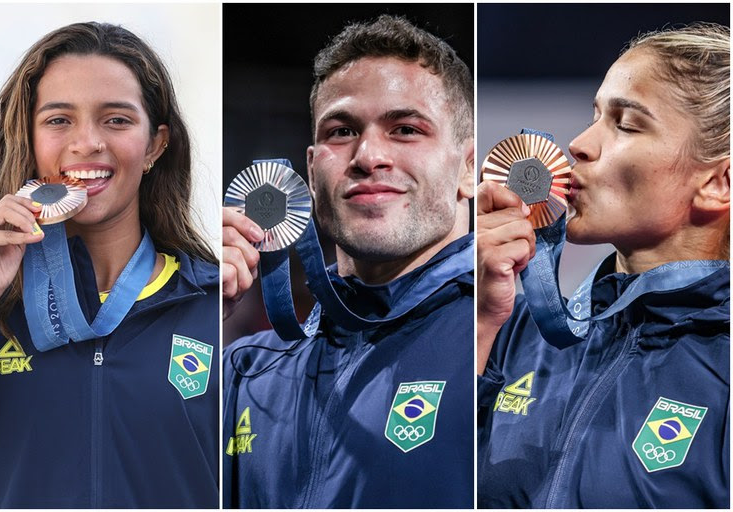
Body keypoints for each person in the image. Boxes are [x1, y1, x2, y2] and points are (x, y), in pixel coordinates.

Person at [222, 15, 474, 508]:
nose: (368, 155)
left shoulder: (515, 344)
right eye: (342, 131)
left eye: (405, 129)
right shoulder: (244, 370)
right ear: (312, 169)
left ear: (467, 167)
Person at [477, 23, 729, 508]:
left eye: (627, 124)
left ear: (717, 183)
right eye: (595, 115)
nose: (579, 144)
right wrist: (479, 323)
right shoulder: (512, 329)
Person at [0, 22, 219, 508]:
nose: (87, 142)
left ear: (155, 145)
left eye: (117, 120)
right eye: (59, 120)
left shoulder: (214, 306)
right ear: (29, 137)